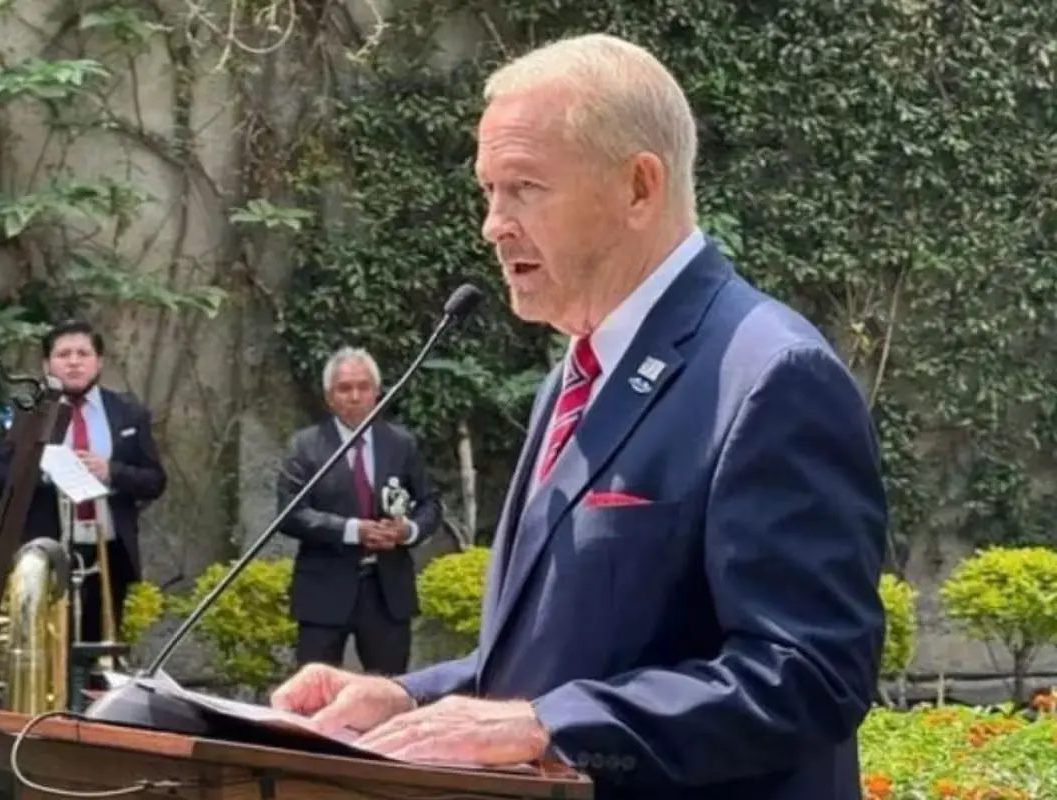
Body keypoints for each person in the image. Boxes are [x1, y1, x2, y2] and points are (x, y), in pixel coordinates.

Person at [269, 33, 888, 800]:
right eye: (488, 191)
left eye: (524, 187)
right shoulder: (573, 378)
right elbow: (561, 662)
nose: (494, 224)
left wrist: (552, 729)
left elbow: (810, 673)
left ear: (639, 187)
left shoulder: (770, 374)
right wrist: (408, 696)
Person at [0, 319, 167, 645]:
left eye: (83, 353)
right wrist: (45, 471)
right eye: (63, 354)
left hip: (107, 553)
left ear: (99, 362)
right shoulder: (26, 413)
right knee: (42, 649)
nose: (73, 362)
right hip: (43, 552)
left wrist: (111, 471)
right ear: (46, 364)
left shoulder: (127, 412)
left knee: (97, 651)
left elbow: (154, 480)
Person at [276, 347, 442, 676]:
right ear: (329, 397)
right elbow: (290, 514)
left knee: (388, 690)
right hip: (325, 590)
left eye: (363, 387)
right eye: (345, 388)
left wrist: (406, 531)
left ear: (377, 392)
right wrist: (353, 530)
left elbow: (430, 504)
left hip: (386, 592)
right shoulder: (306, 446)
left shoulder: (401, 444)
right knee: (313, 692)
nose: (355, 397)